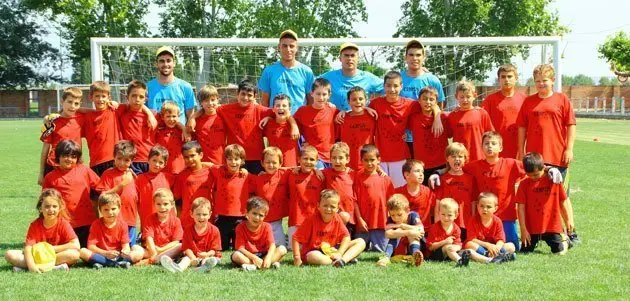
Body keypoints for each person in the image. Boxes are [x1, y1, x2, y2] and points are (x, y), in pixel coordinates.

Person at [216, 80, 298, 174]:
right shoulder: (225, 109)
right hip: (236, 158)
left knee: (256, 186)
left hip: (257, 158)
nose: (245, 98)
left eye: (249, 95)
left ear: (255, 97)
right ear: (237, 94)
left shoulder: (262, 111)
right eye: (243, 94)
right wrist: (194, 117)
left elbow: (283, 112)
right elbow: (210, 109)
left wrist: (294, 125)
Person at [41, 140, 100, 248]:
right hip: (64, 223)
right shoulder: (50, 177)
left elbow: (101, 187)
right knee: (68, 250)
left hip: (86, 221)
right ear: (58, 156)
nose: (69, 159)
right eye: (65, 156)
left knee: (88, 250)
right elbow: (45, 202)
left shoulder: (84, 170)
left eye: (73, 156)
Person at [5, 189, 80, 272]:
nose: (51, 210)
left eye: (54, 206)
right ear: (41, 208)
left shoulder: (63, 223)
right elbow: (28, 248)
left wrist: (50, 249)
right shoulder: (35, 225)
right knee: (9, 254)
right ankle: (52, 268)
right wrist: (31, 266)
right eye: (47, 206)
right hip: (37, 256)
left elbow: (76, 245)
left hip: (55, 255)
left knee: (74, 255)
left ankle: (26, 269)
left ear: (59, 208)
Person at [367, 71, 421, 188]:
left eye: (395, 86)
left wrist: (437, 115)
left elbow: (430, 104)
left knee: (399, 190)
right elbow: (359, 111)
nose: (392, 89)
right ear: (384, 86)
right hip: (379, 156)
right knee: (380, 190)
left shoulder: (410, 104)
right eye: (389, 85)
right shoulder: (375, 104)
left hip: (399, 156)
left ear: (401, 86)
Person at [517, 152, 575, 255]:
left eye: (535, 175)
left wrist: (568, 221)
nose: (533, 178)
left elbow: (562, 201)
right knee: (524, 251)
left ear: (543, 168)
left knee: (559, 253)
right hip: (532, 227)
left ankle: (565, 240)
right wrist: (523, 229)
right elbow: (520, 207)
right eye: (529, 175)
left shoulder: (553, 180)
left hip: (551, 226)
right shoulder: (523, 184)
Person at [292, 189, 366, 267]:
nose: (328, 209)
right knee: (313, 257)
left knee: (360, 242)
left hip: (332, 250)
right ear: (318, 206)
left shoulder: (337, 218)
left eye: (332, 206)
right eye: (325, 205)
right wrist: (297, 257)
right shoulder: (310, 220)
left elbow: (346, 237)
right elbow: (296, 238)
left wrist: (339, 253)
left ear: (337, 208)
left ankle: (343, 260)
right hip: (315, 251)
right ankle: (342, 260)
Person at [400, 39, 446, 156]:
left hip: (426, 134)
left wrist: (436, 119)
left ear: (424, 57)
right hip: (403, 136)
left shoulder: (432, 79)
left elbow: (440, 104)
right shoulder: (398, 79)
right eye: (411, 55)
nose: (414, 58)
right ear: (405, 57)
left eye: (418, 55)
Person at [79, 193, 144, 269]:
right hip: (102, 255)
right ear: (100, 210)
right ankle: (116, 264)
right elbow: (91, 246)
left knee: (139, 251)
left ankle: (102, 263)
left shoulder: (123, 225)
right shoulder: (96, 224)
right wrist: (106, 253)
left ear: (119, 208)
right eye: (106, 209)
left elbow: (125, 246)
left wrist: (125, 251)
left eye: (113, 209)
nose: (110, 213)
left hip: (118, 256)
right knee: (82, 251)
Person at [209, 144, 254, 250]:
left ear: (242, 161)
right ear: (225, 160)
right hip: (222, 216)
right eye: (230, 159)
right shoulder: (219, 171)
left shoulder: (246, 176)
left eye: (236, 159)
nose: (233, 162)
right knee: (222, 247)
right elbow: (208, 165)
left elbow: (260, 179)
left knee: (238, 247)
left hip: (240, 217)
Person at [95, 140, 140, 246]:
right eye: (119, 159)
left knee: (130, 249)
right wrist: (121, 185)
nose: (122, 163)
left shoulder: (132, 175)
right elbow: (103, 196)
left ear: (132, 160)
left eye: (126, 160)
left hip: (130, 219)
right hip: (114, 220)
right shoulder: (108, 174)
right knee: (115, 248)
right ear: (114, 157)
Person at [258, 30, 315, 113]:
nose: (288, 49)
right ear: (279, 47)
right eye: (284, 46)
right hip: (276, 122)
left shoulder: (307, 72)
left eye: (291, 46)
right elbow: (264, 102)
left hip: (299, 122)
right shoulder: (269, 71)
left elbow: (311, 100)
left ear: (297, 48)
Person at [353, 144, 395, 252]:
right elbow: (354, 201)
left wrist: (390, 221)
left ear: (378, 160)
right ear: (361, 160)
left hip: (380, 223)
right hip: (364, 224)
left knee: (383, 250)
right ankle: (368, 245)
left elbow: (391, 203)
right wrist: (360, 220)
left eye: (372, 160)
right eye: (366, 160)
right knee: (357, 249)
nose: (369, 163)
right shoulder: (357, 177)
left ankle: (373, 245)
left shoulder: (385, 179)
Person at [162, 197, 221, 273]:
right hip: (192, 256)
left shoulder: (214, 230)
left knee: (208, 260)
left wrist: (207, 254)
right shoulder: (188, 230)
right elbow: (186, 248)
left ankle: (203, 268)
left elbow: (214, 250)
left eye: (204, 214)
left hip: (209, 256)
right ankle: (178, 268)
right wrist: (192, 258)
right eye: (198, 214)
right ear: (191, 214)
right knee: (186, 259)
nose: (201, 217)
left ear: (210, 215)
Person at [320, 42, 383, 111]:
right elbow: (312, 89)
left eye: (352, 55)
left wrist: (375, 101)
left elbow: (390, 90)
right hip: (336, 120)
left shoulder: (368, 78)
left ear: (358, 58)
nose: (349, 58)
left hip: (361, 120)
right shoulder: (328, 77)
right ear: (340, 58)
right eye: (346, 55)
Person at [39, 87, 84, 185]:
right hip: (53, 165)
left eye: (76, 103)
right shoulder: (51, 121)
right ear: (62, 102)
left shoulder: (82, 119)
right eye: (69, 102)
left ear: (80, 105)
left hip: (74, 165)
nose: (72, 106)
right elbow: (45, 149)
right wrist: (41, 173)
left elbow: (95, 112)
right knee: (50, 198)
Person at [481, 64, 526, 159]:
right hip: (496, 147)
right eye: (503, 77)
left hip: (518, 147)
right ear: (499, 79)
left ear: (516, 78)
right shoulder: (490, 100)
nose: (506, 79)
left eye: (509, 76)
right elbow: (479, 117)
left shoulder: (524, 99)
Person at [433, 143, 475, 241]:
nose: (457, 159)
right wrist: (437, 223)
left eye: (460, 156)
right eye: (453, 156)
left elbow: (473, 201)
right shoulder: (442, 179)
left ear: (465, 159)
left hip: (465, 222)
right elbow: (438, 202)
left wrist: (473, 221)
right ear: (447, 159)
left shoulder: (470, 179)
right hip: (447, 223)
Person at [293, 78, 339, 168]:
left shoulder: (333, 110)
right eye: (318, 94)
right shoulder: (303, 111)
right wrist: (293, 125)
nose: (321, 97)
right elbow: (289, 120)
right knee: (317, 178)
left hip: (331, 156)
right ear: (312, 93)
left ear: (329, 95)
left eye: (324, 94)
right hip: (313, 156)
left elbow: (349, 115)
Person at [232, 197, 287, 271]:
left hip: (264, 254)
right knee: (236, 255)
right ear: (246, 213)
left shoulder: (267, 226)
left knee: (282, 249)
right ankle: (267, 265)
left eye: (261, 215)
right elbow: (240, 248)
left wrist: (268, 257)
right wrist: (254, 258)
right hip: (248, 255)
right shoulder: (240, 227)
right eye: (254, 213)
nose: (257, 217)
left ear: (265, 217)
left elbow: (272, 245)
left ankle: (255, 266)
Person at [408, 86, 450, 184]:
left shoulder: (444, 118)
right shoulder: (413, 118)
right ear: (419, 101)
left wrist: (438, 116)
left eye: (431, 99)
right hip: (421, 165)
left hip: (441, 164)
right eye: (424, 99)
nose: (428, 102)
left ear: (436, 102)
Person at [446, 80, 494, 162]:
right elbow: (448, 135)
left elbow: (491, 135)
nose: (465, 100)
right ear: (456, 96)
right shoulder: (452, 115)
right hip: (460, 158)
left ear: (474, 95)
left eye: (468, 97)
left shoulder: (482, 113)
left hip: (479, 157)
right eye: (462, 97)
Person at [251, 147, 290, 247]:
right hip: (261, 220)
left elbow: (298, 168)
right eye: (268, 162)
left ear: (280, 164)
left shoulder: (284, 174)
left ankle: (283, 239)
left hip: (276, 220)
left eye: (274, 162)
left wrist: (317, 171)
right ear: (262, 163)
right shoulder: (258, 179)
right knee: (261, 246)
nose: (271, 165)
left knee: (280, 245)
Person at [287, 146, 325, 249]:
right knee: (293, 248)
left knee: (315, 247)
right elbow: (276, 169)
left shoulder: (320, 176)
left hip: (314, 220)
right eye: (305, 158)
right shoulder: (291, 174)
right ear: (298, 159)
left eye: (312, 159)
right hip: (296, 220)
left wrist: (317, 170)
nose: (308, 162)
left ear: (317, 161)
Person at [147, 46, 196, 125]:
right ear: (156, 64)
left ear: (174, 63)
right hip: (155, 135)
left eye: (168, 60)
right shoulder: (147, 88)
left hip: (179, 135)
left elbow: (190, 116)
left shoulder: (186, 87)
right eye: (162, 61)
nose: (165, 64)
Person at [464, 192, 516, 264]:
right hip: (481, 248)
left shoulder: (497, 221)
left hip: (494, 248)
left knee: (511, 246)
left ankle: (496, 256)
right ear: (477, 206)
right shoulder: (473, 220)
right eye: (481, 206)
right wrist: (488, 245)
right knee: (469, 245)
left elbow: (501, 240)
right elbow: (472, 239)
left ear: (495, 208)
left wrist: (496, 248)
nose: (485, 209)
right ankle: (493, 258)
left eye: (488, 207)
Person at [119, 80, 158, 175]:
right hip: (130, 161)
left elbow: (172, 120)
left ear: (146, 99)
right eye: (133, 96)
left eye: (141, 97)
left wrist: (183, 128)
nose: (137, 99)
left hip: (150, 159)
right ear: (127, 97)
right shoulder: (121, 113)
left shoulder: (154, 115)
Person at [376, 194, 424, 267]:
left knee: (412, 234)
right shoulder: (390, 220)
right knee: (397, 233)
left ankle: (415, 254)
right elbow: (387, 234)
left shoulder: (413, 215)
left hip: (414, 244)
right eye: (392, 215)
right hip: (397, 249)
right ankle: (386, 257)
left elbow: (420, 229)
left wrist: (403, 226)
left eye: (399, 215)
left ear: (408, 211)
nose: (396, 218)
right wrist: (408, 231)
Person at [173, 141, 212, 227]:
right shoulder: (181, 176)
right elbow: (177, 202)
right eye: (186, 157)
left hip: (208, 221)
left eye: (192, 155)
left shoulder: (211, 173)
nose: (190, 159)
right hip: (187, 223)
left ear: (200, 155)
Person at [135, 145, 175, 228]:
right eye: (154, 160)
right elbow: (137, 202)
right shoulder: (139, 179)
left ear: (165, 164)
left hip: (166, 222)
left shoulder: (169, 178)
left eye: (160, 162)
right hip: (147, 222)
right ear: (148, 160)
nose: (157, 164)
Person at [336, 87, 376, 171]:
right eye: (354, 99)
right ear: (348, 101)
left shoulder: (372, 117)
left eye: (361, 99)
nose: (358, 101)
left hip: (367, 164)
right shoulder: (342, 119)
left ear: (366, 100)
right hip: (347, 166)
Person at [141, 188, 183, 265]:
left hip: (167, 250)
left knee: (180, 246)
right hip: (152, 249)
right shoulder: (149, 219)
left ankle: (153, 260)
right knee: (136, 250)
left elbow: (175, 241)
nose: (162, 207)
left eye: (165, 204)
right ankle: (157, 259)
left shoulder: (176, 221)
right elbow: (149, 238)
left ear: (172, 205)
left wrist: (161, 249)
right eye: (158, 204)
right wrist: (154, 252)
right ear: (154, 204)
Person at [425, 198, 471, 267]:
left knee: (468, 251)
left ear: (456, 216)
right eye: (443, 214)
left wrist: (456, 248)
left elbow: (458, 243)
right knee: (447, 246)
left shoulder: (456, 228)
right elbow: (430, 247)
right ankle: (460, 260)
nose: (446, 218)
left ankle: (488, 259)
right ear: (439, 213)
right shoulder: (434, 227)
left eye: (449, 215)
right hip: (435, 255)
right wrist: (444, 242)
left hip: (449, 253)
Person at [394, 159, 436, 234]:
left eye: (422, 172)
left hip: (423, 232)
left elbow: (435, 212)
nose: (421, 174)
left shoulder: (428, 192)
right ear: (407, 175)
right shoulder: (397, 193)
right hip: (402, 232)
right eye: (417, 171)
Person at [323, 142, 356, 227]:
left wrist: (379, 169)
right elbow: (309, 170)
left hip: (350, 218)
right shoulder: (326, 173)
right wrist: (315, 170)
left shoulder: (352, 174)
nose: (337, 161)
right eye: (334, 158)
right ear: (330, 159)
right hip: (332, 216)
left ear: (347, 159)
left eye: (341, 158)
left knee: (348, 239)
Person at [192, 85, 226, 165]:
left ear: (218, 100)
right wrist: (192, 118)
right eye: (206, 101)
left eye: (213, 100)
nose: (210, 103)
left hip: (222, 162)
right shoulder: (196, 121)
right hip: (203, 163)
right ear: (200, 103)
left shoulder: (224, 115)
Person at [262, 94, 299, 167]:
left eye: (284, 106)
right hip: (274, 167)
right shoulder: (267, 124)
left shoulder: (296, 124)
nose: (281, 108)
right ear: (273, 109)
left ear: (290, 109)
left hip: (292, 167)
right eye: (278, 105)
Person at [155, 101, 187, 174]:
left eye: (174, 116)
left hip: (180, 169)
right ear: (163, 117)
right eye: (168, 116)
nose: (171, 119)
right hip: (163, 170)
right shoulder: (158, 132)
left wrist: (183, 128)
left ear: (178, 116)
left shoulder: (182, 132)